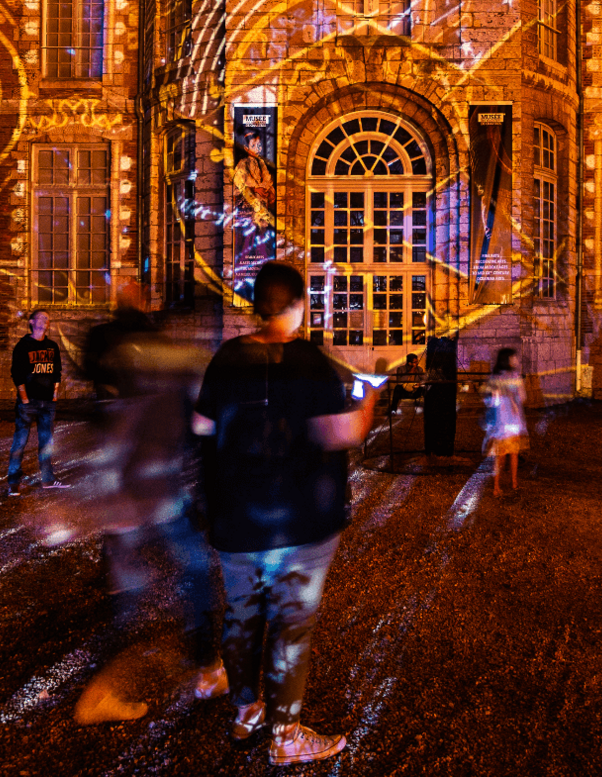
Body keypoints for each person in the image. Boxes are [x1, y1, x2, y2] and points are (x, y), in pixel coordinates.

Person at [192, 260, 377, 764]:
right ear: (298, 307)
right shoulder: (312, 364)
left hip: (236, 516)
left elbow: (201, 426)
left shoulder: (227, 357)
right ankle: (286, 734)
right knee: (291, 623)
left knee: (243, 615)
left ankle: (246, 711)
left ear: (256, 307)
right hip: (299, 520)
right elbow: (339, 434)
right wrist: (370, 400)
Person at [71, 285, 222, 725]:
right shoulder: (182, 367)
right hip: (157, 494)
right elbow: (201, 432)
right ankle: (206, 668)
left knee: (133, 590)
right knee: (192, 572)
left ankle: (107, 688)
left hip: (125, 493)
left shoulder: (117, 361)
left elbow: (105, 426)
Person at [7, 311, 65, 494]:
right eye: (41, 317)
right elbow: (16, 374)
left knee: (46, 443)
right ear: (31, 322)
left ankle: (48, 480)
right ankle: (13, 484)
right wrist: (24, 399)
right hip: (28, 402)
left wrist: (54, 395)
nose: (45, 321)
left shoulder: (52, 346)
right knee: (20, 443)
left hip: (47, 403)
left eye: (48, 318)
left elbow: (57, 372)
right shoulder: (23, 346)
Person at [485, 347, 529, 495]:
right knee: (514, 453)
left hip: (500, 422)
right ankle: (514, 483)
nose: (516, 360)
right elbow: (523, 398)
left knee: (500, 455)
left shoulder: (494, 377)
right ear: (508, 359)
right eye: (514, 357)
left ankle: (496, 487)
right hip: (514, 421)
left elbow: (491, 401)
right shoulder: (516, 376)